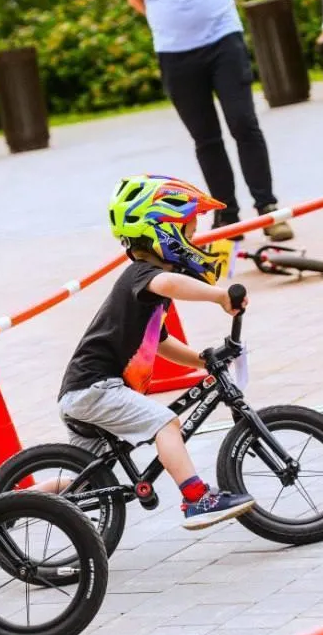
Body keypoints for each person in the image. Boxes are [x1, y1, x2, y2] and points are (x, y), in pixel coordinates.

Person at [57, 175, 256, 529]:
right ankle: (197, 498)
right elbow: (169, 283)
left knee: (85, 482)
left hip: (85, 392)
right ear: (164, 232)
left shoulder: (150, 290)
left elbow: (160, 342)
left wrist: (201, 359)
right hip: (96, 388)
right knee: (166, 422)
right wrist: (219, 295)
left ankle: (8, 508)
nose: (194, 238)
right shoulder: (143, 274)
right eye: (189, 231)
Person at [111, 0, 294, 241]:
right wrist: (168, 18)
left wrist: (216, 4)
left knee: (243, 122)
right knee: (205, 138)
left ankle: (267, 209)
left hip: (222, 36)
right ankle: (227, 216)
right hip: (173, 49)